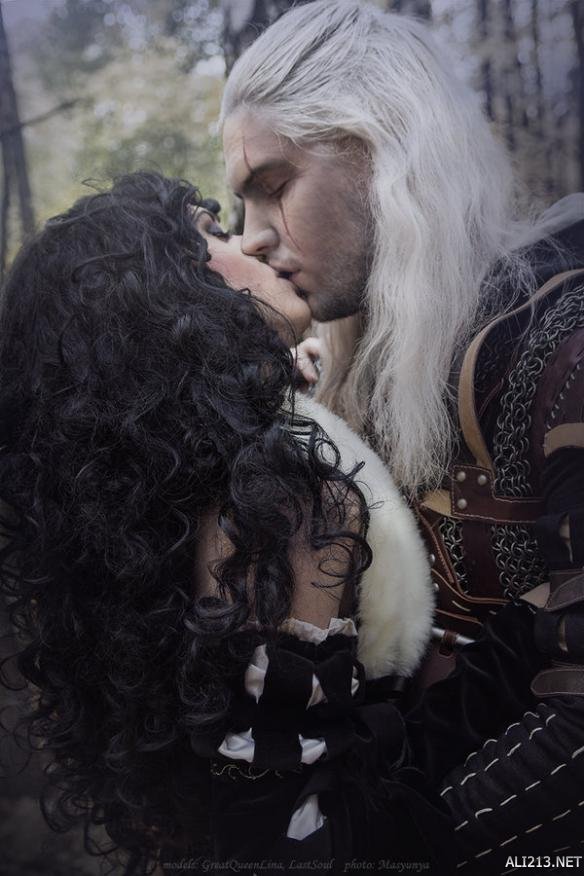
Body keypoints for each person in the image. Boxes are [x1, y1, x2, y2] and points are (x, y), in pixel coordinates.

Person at [219, 0, 584, 870]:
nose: (253, 236)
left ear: (379, 150)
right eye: (242, 202)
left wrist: (393, 845)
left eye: (274, 185)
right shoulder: (368, 366)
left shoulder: (566, 345)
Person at [0, 171, 442, 875]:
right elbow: (287, 817)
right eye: (213, 232)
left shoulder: (158, 490)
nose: (253, 242)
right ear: (166, 295)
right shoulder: (276, 508)